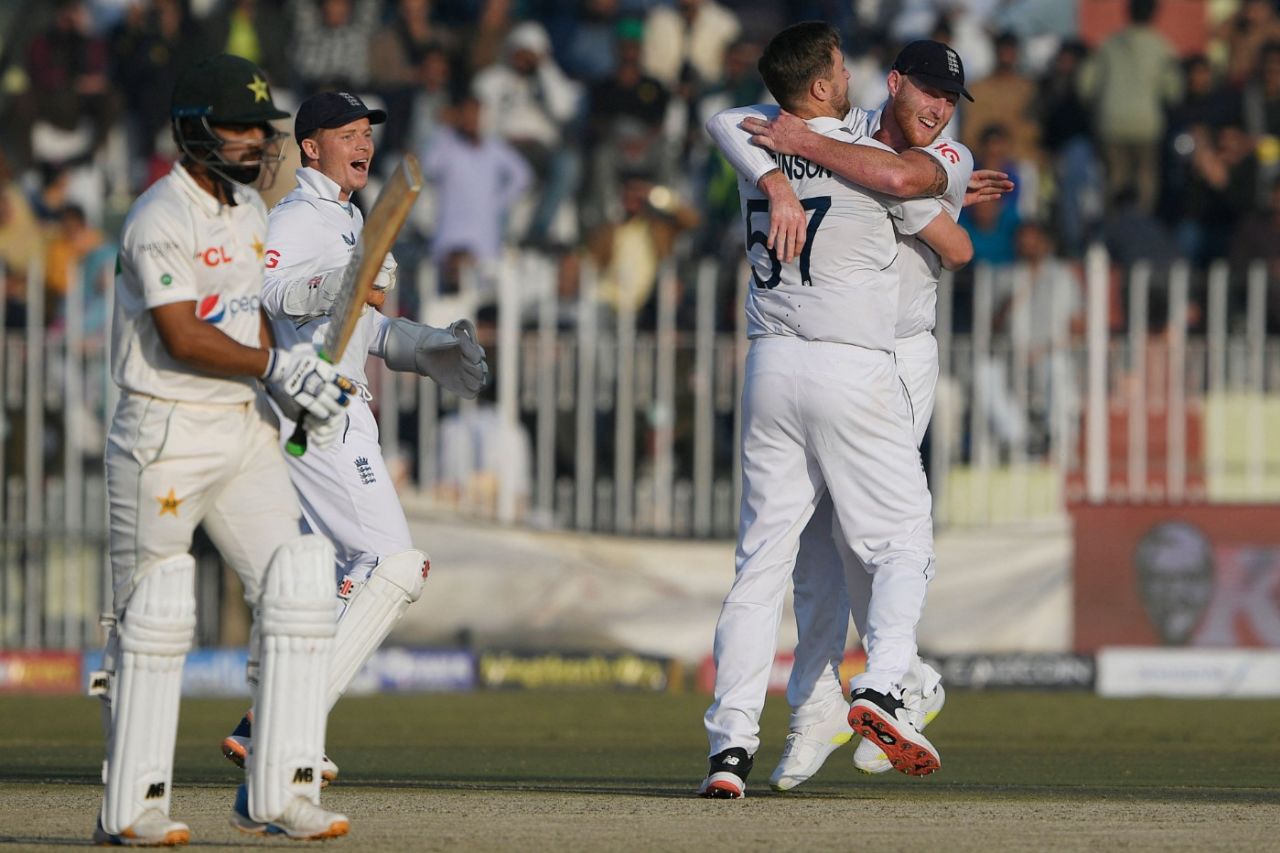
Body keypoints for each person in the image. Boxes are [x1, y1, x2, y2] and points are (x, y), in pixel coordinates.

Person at [706, 37, 1007, 790]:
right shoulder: (847, 135)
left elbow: (948, 232)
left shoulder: (942, 154)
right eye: (927, 93)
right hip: (845, 356)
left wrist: (793, 161)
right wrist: (785, 172)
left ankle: (885, 685)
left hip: (892, 357)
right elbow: (734, 123)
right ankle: (846, 694)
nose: (939, 111)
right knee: (827, 544)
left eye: (950, 101)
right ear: (891, 84)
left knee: (836, 539)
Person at [96, 53, 353, 844]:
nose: (252, 141)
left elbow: (249, 314)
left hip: (243, 430)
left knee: (301, 586)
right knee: (153, 609)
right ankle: (129, 806)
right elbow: (181, 335)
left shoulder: (249, 212)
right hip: (165, 434)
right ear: (193, 130)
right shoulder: (157, 217)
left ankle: (277, 792)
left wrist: (291, 375)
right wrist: (274, 364)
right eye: (237, 126)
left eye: (259, 128)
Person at [218, 90, 488, 783]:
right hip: (319, 410)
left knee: (345, 578)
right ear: (311, 146)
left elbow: (355, 326)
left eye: (368, 133)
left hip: (338, 402)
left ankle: (261, 723)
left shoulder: (345, 215)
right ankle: (289, 725)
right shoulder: (299, 214)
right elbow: (271, 291)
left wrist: (424, 347)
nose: (363, 144)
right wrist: (349, 273)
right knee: (394, 565)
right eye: (348, 133)